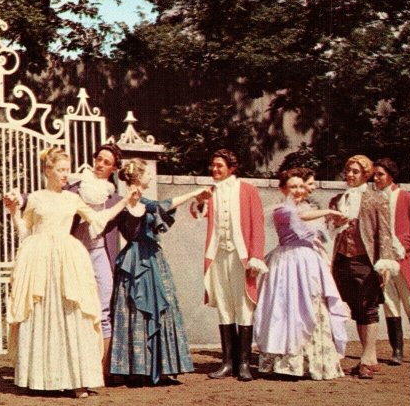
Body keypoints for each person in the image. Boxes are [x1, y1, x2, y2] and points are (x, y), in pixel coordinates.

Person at [4, 147, 140, 397]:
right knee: (43, 314)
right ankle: (42, 377)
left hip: (67, 256)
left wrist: (124, 201)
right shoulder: (36, 197)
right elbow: (24, 231)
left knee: (72, 314)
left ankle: (78, 378)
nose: (66, 174)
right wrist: (14, 212)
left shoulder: (72, 198)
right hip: (40, 256)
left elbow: (99, 220)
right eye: (61, 170)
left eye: (67, 169)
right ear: (48, 170)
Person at [110, 158, 209, 385]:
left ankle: (152, 366)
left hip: (151, 257)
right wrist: (194, 193)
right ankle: (138, 368)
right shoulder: (131, 202)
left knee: (154, 309)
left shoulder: (141, 202)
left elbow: (162, 207)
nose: (151, 177)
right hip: (138, 259)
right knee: (137, 310)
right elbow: (164, 204)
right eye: (147, 174)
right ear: (138, 177)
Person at [253, 169, 350, 380]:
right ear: (283, 189)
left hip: (308, 261)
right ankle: (286, 363)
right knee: (287, 308)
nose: (297, 191)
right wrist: (329, 212)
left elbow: (321, 235)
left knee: (313, 304)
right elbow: (299, 216)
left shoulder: (309, 209)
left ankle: (313, 362)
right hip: (288, 261)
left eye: (300, 186)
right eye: (292, 187)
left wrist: (335, 224)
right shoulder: (281, 211)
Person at [190, 149, 267, 381]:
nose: (215, 170)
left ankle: (244, 363)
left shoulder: (248, 190)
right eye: (213, 166)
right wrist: (200, 201)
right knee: (224, 304)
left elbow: (258, 225)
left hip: (241, 256)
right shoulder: (210, 191)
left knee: (244, 304)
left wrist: (256, 256)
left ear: (232, 168)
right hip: (218, 254)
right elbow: (195, 213)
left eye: (219, 166)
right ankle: (227, 363)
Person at [329, 155, 399, 379]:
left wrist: (386, 264)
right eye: (348, 170)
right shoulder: (338, 199)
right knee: (357, 309)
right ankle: (369, 357)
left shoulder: (376, 198)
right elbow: (329, 230)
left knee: (369, 308)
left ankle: (368, 357)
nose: (350, 175)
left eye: (355, 171)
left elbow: (384, 233)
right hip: (343, 260)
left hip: (365, 261)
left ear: (366, 174)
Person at [67, 143, 127, 380]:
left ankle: (100, 370)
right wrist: (19, 198)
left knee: (102, 310)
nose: (99, 164)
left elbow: (134, 221)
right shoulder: (75, 187)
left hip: (100, 253)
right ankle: (75, 368)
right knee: (74, 310)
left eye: (106, 162)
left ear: (113, 168)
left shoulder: (113, 198)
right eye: (98, 159)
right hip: (75, 254)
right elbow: (49, 198)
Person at [372, 157, 410, 365]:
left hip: (404, 261)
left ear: (391, 175)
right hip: (383, 262)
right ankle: (396, 351)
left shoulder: (404, 197)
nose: (376, 178)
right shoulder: (373, 199)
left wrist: (404, 247)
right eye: (375, 174)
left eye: (380, 174)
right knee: (390, 305)